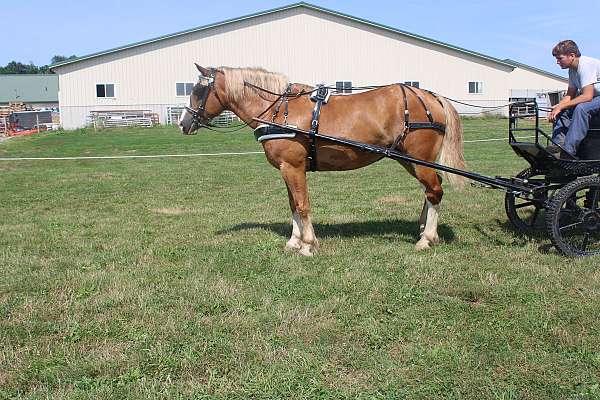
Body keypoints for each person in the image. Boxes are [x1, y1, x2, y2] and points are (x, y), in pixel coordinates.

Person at [548, 40, 600, 158]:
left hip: (595, 97)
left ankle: (568, 152)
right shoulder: (572, 70)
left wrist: (562, 105)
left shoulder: (585, 65)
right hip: (596, 98)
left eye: (560, 58)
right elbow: (570, 94)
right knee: (562, 110)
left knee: (582, 108)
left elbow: (587, 96)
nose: (557, 62)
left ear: (572, 56)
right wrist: (558, 107)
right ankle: (558, 147)